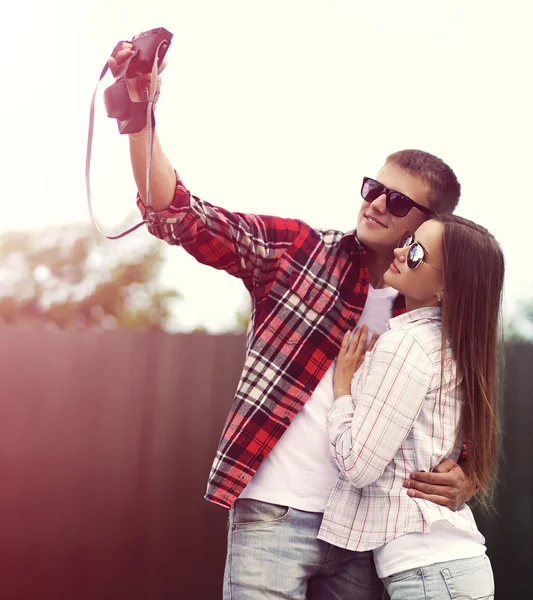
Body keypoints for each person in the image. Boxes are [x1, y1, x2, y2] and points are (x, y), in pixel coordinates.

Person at [108, 43, 477, 600]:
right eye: (372, 189)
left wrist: (466, 472)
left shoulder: (437, 323)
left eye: (397, 202)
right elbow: (179, 212)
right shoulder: (299, 251)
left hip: (369, 533)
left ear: (431, 227)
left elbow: (459, 422)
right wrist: (141, 117)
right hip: (274, 514)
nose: (375, 204)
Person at [325, 216, 504, 599]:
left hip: (430, 572)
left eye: (417, 252)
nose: (401, 251)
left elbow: (358, 464)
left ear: (445, 286)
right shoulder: (453, 346)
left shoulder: (405, 344)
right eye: (408, 240)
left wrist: (342, 391)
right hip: (448, 569)